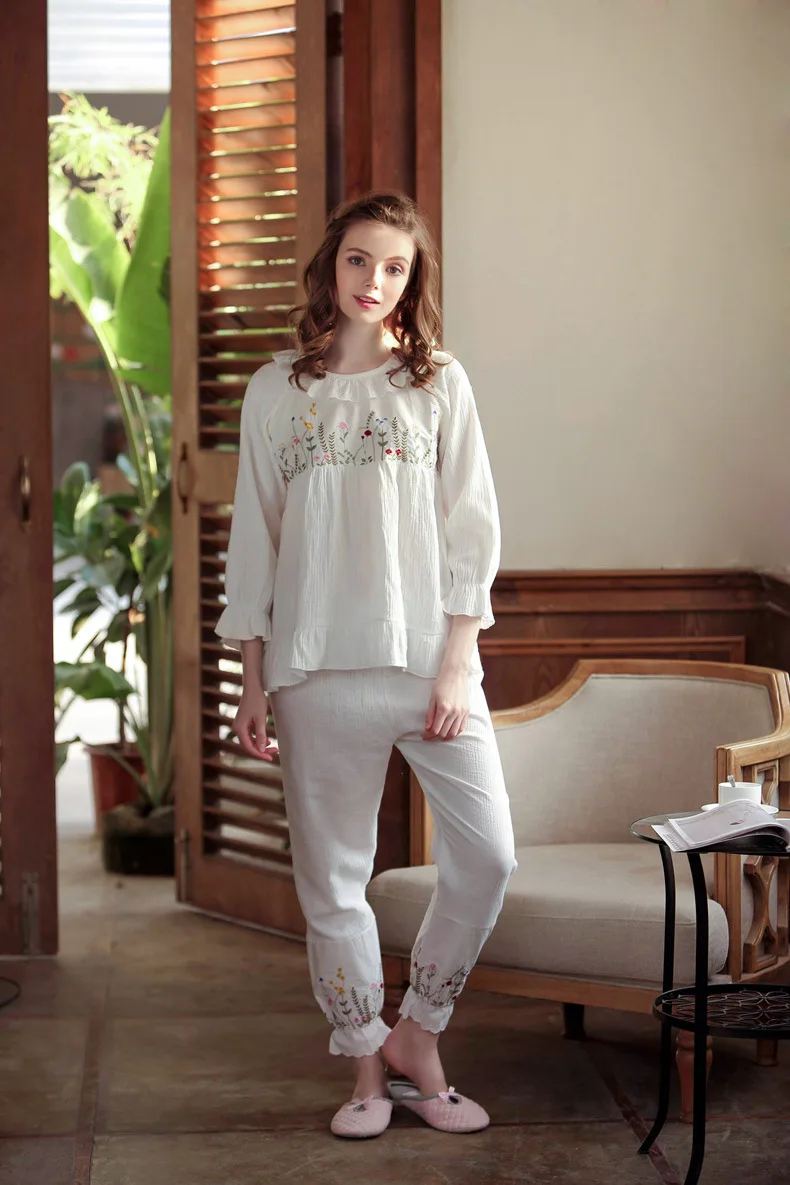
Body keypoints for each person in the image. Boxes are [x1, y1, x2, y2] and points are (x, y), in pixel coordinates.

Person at [215, 190, 517, 1139]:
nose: (373, 281)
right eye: (358, 260)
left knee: (489, 854)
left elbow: (472, 530)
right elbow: (255, 543)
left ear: (411, 280)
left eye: (394, 267)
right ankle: (364, 1068)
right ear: (330, 265)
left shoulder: (439, 384)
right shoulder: (276, 389)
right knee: (333, 881)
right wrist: (252, 678)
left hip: (429, 666)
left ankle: (419, 1033)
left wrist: (458, 663)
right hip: (312, 672)